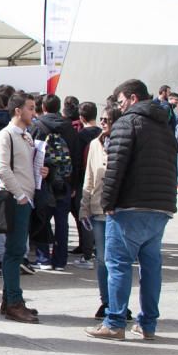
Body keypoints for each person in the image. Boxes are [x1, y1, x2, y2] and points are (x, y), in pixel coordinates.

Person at [86, 79, 176, 342]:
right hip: (160, 207)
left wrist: (108, 203)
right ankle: (148, 324)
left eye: (121, 100)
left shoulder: (127, 122)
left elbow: (116, 166)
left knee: (118, 265)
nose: (119, 105)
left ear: (133, 98)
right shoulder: (164, 125)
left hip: (130, 206)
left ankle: (114, 322)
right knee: (151, 267)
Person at [0, 93, 48, 323]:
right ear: (18, 110)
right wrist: (21, 195)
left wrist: (40, 173)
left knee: (16, 253)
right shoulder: (5, 135)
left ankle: (10, 301)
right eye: (31, 108)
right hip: (16, 200)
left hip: (25, 198)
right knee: (15, 253)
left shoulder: (25, 136)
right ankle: (14, 302)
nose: (34, 113)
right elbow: (2, 169)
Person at [29, 94, 83, 271]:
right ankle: (60, 260)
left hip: (43, 179)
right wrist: (74, 183)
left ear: (43, 107)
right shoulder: (69, 128)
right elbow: (76, 157)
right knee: (62, 222)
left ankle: (43, 258)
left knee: (42, 219)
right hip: (65, 181)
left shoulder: (36, 126)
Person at [80, 107, 122, 319]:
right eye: (103, 119)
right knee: (103, 258)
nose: (104, 123)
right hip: (98, 208)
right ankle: (106, 301)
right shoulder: (95, 144)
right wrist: (84, 205)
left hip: (119, 209)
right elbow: (89, 175)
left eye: (109, 120)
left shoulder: (124, 143)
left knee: (116, 259)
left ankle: (117, 303)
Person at [70, 101, 102, 268]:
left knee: (85, 217)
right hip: (101, 181)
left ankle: (87, 253)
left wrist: (74, 185)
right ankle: (98, 250)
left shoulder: (80, 136)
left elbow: (76, 162)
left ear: (81, 117)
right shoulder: (102, 134)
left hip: (84, 181)